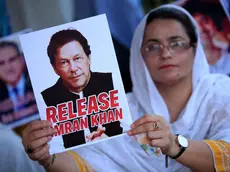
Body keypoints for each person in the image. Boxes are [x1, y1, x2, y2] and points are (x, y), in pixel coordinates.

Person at [21, 4, 230, 172]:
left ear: (195, 49)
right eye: (153, 46)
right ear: (139, 56)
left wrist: (174, 145)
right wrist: (48, 157)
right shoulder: (118, 107)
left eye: (177, 43)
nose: (166, 53)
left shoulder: (222, 94)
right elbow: (89, 165)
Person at [41, 29, 123, 148]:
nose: (73, 68)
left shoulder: (114, 82)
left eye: (77, 58)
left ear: (89, 58)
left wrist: (109, 141)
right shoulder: (45, 100)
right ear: (54, 68)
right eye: (64, 62)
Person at [0, 41, 38, 126]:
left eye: (12, 59)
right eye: (1, 63)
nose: (8, 67)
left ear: (22, 59)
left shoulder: (38, 82)